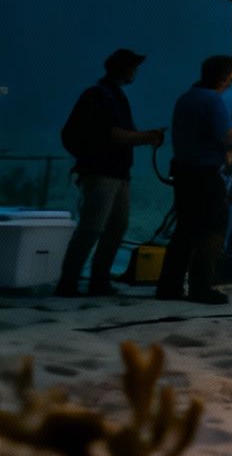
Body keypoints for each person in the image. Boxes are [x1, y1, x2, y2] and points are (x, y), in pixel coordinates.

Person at [156, 55, 232, 304]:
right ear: (224, 76)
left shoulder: (186, 98)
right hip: (205, 175)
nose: (231, 81)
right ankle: (201, 287)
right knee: (213, 229)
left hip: (184, 173)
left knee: (185, 231)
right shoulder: (212, 101)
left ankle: (169, 286)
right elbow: (228, 138)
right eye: (230, 76)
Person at [54, 49, 164, 297]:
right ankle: (69, 281)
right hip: (102, 172)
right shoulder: (102, 96)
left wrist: (144, 138)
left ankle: (98, 281)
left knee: (116, 227)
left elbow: (119, 134)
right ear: (124, 69)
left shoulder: (111, 95)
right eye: (132, 67)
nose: (135, 72)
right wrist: (148, 137)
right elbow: (115, 135)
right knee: (92, 228)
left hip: (116, 173)